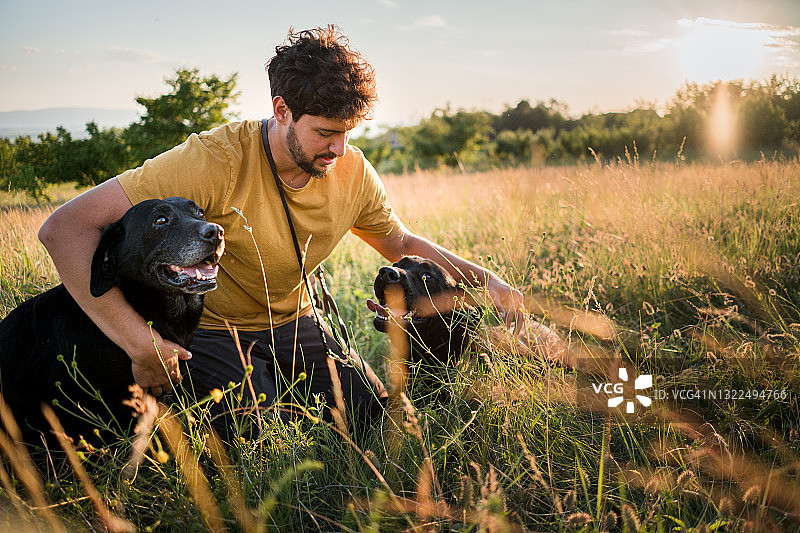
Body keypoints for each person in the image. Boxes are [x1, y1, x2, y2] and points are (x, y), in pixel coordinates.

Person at [38, 26, 525, 437]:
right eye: (324, 133)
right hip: (210, 330)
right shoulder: (214, 158)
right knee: (264, 435)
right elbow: (65, 229)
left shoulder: (352, 168)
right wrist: (142, 345)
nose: (337, 150)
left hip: (297, 322)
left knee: (376, 423)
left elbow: (399, 242)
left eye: (346, 133)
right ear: (281, 109)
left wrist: (489, 282)